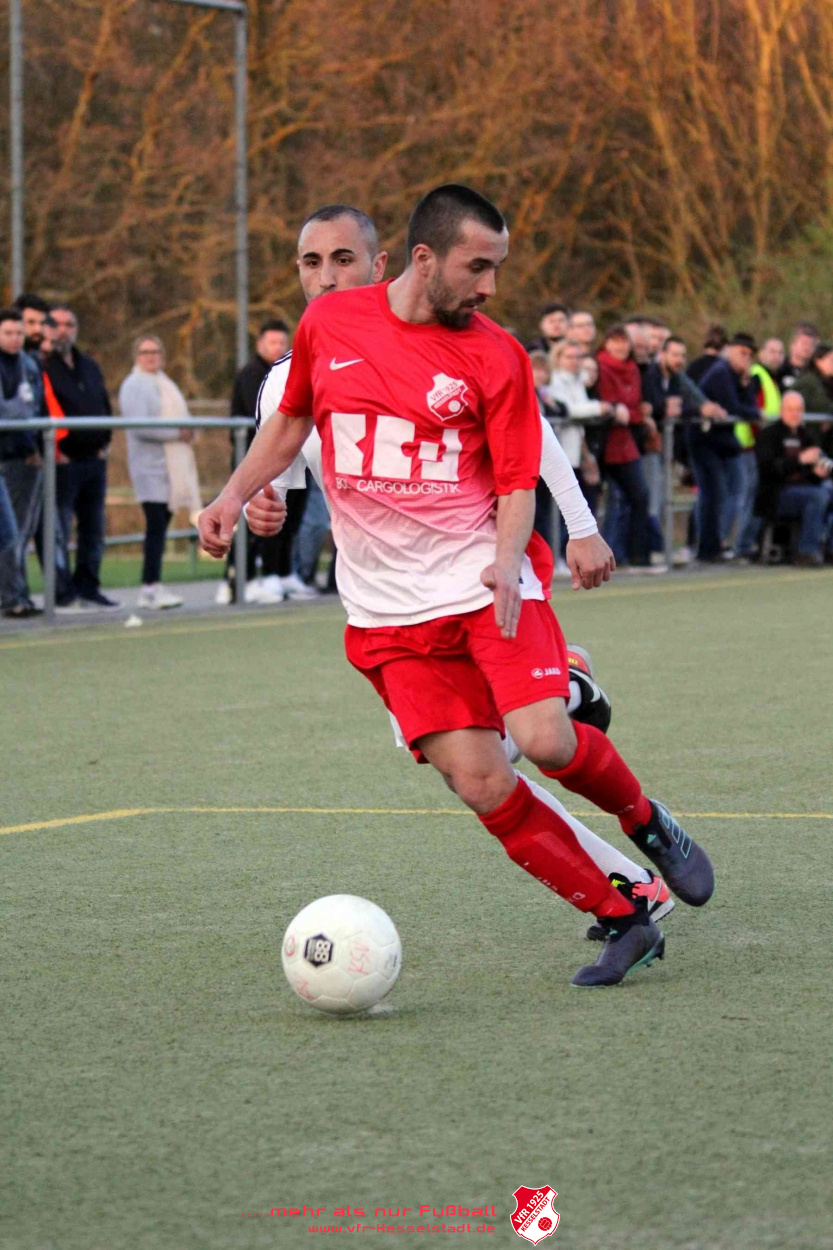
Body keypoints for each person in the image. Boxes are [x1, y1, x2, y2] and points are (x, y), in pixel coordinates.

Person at [201, 184, 714, 988]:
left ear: (380, 259)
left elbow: (518, 475)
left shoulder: (493, 353)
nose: (490, 286)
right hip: (383, 613)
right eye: (479, 267)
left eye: (495, 267)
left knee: (543, 741)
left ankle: (647, 822)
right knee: (477, 778)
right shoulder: (324, 330)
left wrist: (516, 557)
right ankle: (624, 917)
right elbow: (291, 427)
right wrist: (235, 497)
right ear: (425, 259)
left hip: (481, 583)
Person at [217, 318, 302, 606]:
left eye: (282, 342)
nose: (278, 347)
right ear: (260, 344)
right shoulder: (252, 374)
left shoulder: (288, 370)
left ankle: (277, 573)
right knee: (249, 519)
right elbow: (269, 414)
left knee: (283, 516)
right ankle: (238, 579)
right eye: (272, 342)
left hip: (283, 457)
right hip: (253, 459)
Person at [44, 304, 118, 607]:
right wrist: (57, 449)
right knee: (59, 528)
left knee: (93, 527)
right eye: (57, 324)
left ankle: (89, 586)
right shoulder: (43, 366)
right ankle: (63, 592)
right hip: (64, 461)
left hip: (93, 459)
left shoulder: (88, 364)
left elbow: (102, 402)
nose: (63, 330)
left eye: (69, 324)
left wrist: (105, 440)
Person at [119, 335, 201, 609]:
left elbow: (183, 419)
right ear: (136, 355)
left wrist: (189, 432)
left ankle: (153, 583)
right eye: (145, 352)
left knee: (161, 527)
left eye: (155, 351)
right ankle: (149, 586)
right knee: (155, 527)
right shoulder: (134, 385)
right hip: (150, 467)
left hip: (170, 467)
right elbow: (140, 426)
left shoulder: (165, 383)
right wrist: (176, 433)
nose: (150, 356)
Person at [693, 332, 760, 562]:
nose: (745, 358)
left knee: (733, 490)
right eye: (742, 353)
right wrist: (756, 413)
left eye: (749, 355)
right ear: (730, 350)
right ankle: (708, 547)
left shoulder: (736, 375)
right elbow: (735, 407)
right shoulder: (720, 372)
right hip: (706, 440)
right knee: (714, 493)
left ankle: (718, 542)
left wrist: (746, 383)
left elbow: (746, 405)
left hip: (724, 441)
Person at [595, 324, 654, 569]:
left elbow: (633, 408)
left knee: (639, 496)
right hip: (603, 442)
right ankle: (607, 554)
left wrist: (635, 414)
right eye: (615, 340)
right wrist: (632, 413)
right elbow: (614, 406)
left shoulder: (633, 369)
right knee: (603, 500)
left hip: (625, 443)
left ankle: (636, 554)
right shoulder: (600, 366)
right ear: (606, 343)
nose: (620, 346)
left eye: (624, 341)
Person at [0, 308, 46, 618]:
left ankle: (17, 594)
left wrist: (32, 445)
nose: (15, 338)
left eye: (19, 333)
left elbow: (34, 410)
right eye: (8, 333)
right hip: (6, 456)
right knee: (8, 531)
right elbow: (13, 412)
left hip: (21, 455)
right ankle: (11, 596)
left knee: (17, 531)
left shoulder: (28, 364)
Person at [755, 390, 832, 566]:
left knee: (827, 490)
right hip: (776, 494)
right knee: (818, 496)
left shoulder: (806, 436)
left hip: (805, 490)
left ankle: (830, 549)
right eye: (790, 409)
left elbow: (810, 476)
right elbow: (768, 470)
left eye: (798, 409)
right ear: (781, 410)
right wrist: (799, 459)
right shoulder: (769, 435)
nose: (795, 414)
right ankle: (807, 552)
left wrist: (817, 474)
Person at [774, 321, 819, 391]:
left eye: (811, 344)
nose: (807, 347)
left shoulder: (815, 373)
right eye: (804, 343)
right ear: (792, 344)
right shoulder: (779, 370)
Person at [792, 342, 833, 418]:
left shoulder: (827, 381)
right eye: (831, 360)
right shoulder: (809, 382)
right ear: (818, 361)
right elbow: (821, 405)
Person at [751, 338, 785, 418]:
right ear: (761, 354)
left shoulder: (773, 378)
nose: (777, 357)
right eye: (772, 352)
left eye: (780, 353)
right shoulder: (756, 375)